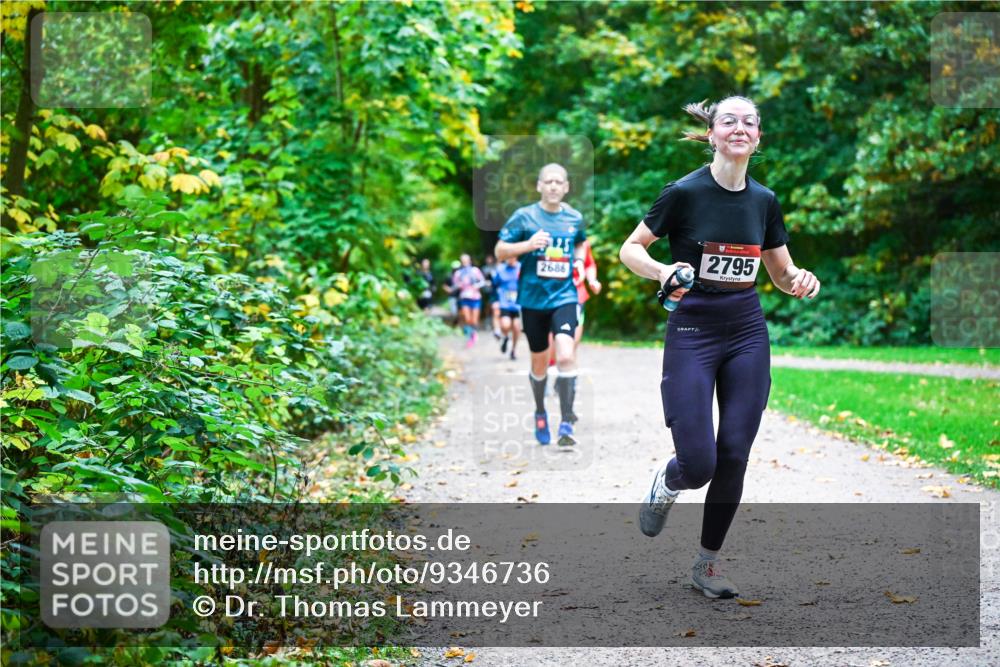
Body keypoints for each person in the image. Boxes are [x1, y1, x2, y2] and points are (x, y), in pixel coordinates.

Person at [619, 96, 821, 599]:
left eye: (749, 122)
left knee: (734, 453)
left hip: (746, 330)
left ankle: (706, 565)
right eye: (728, 120)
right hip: (692, 331)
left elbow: (779, 272)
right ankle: (669, 482)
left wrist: (799, 280)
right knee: (700, 463)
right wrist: (664, 270)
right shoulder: (684, 193)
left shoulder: (764, 201)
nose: (739, 127)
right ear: (711, 134)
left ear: (757, 137)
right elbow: (630, 249)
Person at [495, 163, 587, 447]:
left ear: (566, 187)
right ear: (539, 186)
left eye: (559, 182)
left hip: (564, 296)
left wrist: (581, 262)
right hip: (532, 299)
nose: (554, 186)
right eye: (548, 181)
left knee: (565, 354)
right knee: (538, 363)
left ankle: (567, 422)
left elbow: (581, 243)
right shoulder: (524, 217)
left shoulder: (574, 217)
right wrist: (528, 245)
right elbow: (499, 251)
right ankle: (540, 411)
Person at [452, 253, 486, 348]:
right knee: (467, 319)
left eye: (466, 260)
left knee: (474, 320)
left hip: (475, 297)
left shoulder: (475, 270)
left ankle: (473, 334)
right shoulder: (458, 273)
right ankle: (471, 335)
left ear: (470, 260)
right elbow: (455, 284)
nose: (465, 262)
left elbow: (482, 281)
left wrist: (477, 286)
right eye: (463, 260)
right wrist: (459, 285)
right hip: (464, 297)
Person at [493, 257, 522, 360]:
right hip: (504, 303)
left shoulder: (521, 267)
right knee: (505, 325)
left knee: (516, 327)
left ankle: (513, 350)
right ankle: (505, 337)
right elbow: (494, 286)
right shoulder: (500, 269)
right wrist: (495, 301)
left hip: (518, 303)